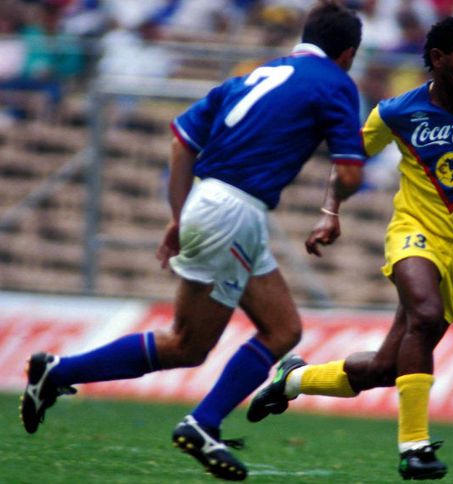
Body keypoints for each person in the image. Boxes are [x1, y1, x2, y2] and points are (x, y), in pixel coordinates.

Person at [20, 2, 364, 480]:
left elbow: (182, 140)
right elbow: (349, 172)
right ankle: (193, 420)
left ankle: (65, 375)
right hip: (236, 212)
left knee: (281, 330)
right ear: (347, 54)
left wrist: (179, 215)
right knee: (189, 343)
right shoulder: (336, 83)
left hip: (211, 202)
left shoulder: (252, 75)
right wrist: (335, 205)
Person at [247, 16, 453, 480]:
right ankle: (415, 448)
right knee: (424, 315)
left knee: (387, 368)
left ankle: (294, 379)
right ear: (438, 59)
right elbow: (348, 163)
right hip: (414, 232)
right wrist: (330, 211)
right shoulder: (396, 112)